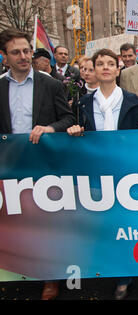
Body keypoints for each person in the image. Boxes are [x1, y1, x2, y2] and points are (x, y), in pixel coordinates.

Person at [67, 49, 138, 299]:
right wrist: (75, 132)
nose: (105, 67)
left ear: (118, 70)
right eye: (99, 64)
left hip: (125, 173)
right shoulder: (84, 103)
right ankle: (108, 267)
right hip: (96, 172)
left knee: (125, 225)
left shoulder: (132, 101)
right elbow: (81, 133)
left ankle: (125, 276)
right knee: (102, 226)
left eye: (110, 64)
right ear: (93, 70)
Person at [0, 29, 75, 300]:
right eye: (16, 52)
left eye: (27, 51)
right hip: (10, 167)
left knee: (47, 223)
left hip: (45, 166)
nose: (24, 56)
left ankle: (51, 279)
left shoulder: (51, 85)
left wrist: (50, 129)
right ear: (5, 57)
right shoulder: (0, 86)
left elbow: (68, 119)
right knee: (17, 223)